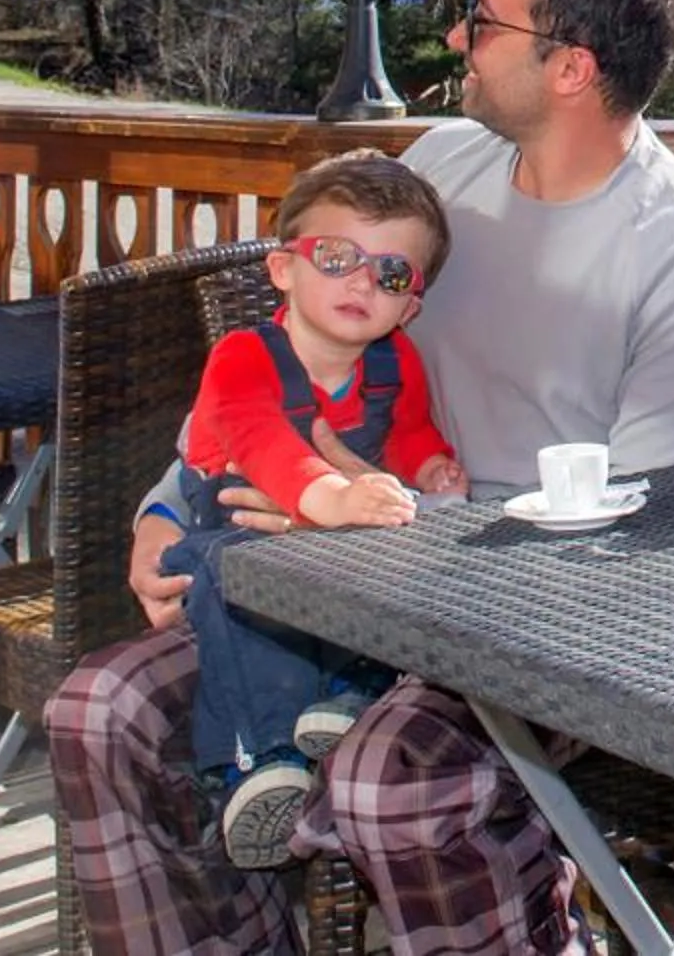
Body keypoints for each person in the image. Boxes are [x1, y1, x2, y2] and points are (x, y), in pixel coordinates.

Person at [46, 0, 674, 956]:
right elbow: (284, 357)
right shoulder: (441, 167)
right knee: (102, 710)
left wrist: (383, 534)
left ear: (571, 66)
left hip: (535, 613)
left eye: (481, 19)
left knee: (389, 776)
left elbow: (637, 560)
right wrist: (164, 505)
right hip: (332, 568)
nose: (456, 39)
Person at [165, 152, 464, 868]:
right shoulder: (244, 357)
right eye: (336, 256)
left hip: (339, 548)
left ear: (409, 304)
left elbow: (411, 429)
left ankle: (350, 695)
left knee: (391, 580)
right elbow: (265, 447)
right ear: (283, 269)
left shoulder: (397, 361)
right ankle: (256, 762)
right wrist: (332, 498)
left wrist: (432, 468)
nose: (363, 280)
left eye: (390, 274)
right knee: (243, 609)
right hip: (234, 538)